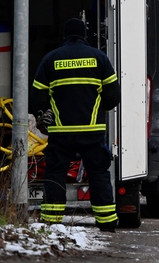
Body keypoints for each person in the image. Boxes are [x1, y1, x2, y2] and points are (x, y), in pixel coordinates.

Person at [30, 18, 121, 232]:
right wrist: (99, 110)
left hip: (61, 132)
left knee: (55, 172)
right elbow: (113, 96)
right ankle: (107, 222)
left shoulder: (50, 59)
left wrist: (47, 119)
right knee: (98, 173)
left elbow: (38, 97)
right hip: (92, 132)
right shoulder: (99, 58)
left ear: (64, 35)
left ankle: (52, 221)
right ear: (84, 36)